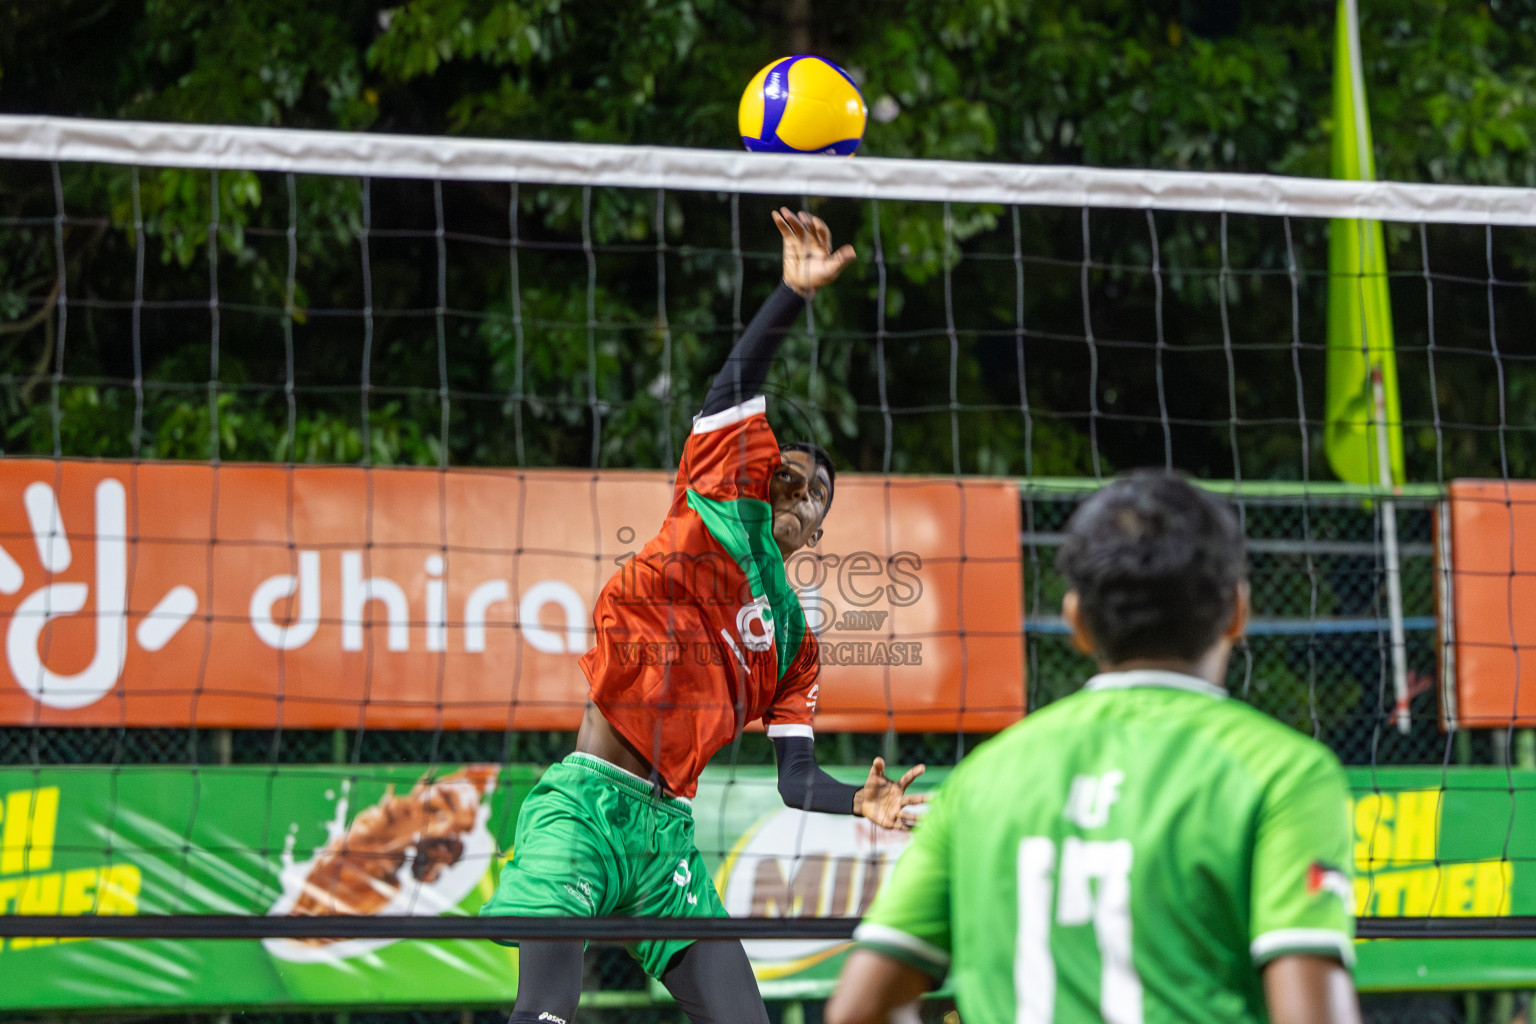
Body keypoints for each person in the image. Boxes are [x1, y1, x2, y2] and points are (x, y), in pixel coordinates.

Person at [481, 209, 928, 1024]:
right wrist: (791, 296)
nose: (799, 488)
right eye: (789, 473)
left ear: (820, 531)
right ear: (759, 478)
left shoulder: (793, 641)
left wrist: (856, 803)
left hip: (668, 839)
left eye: (815, 491)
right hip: (585, 805)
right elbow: (734, 386)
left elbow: (794, 782)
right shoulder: (717, 500)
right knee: (545, 1015)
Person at [826, 471, 1362, 1024]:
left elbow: (859, 1011)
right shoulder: (1286, 775)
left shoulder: (982, 779)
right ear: (1237, 612)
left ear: (1077, 622)